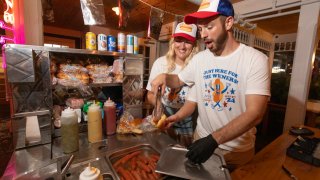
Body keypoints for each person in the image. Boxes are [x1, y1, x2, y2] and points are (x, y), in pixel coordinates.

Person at [151, 0, 270, 169]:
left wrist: (214, 140)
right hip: (200, 140)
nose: (203, 34)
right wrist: (163, 76)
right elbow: (178, 80)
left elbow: (255, 113)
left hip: (236, 151)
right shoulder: (200, 59)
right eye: (200, 29)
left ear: (228, 22)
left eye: (209, 27)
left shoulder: (255, 60)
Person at [146, 22, 199, 147]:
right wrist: (159, 106)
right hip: (163, 115)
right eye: (179, 40)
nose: (182, 46)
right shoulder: (160, 63)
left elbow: (194, 102)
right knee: (162, 152)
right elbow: (149, 94)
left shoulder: (196, 67)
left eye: (187, 41)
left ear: (194, 45)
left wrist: (178, 116)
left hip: (187, 120)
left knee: (183, 157)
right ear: (173, 42)